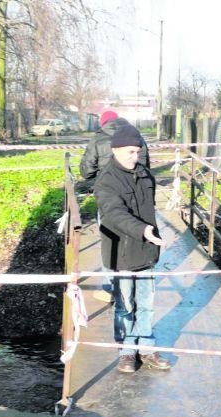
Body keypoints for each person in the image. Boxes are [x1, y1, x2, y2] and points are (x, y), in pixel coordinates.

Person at [94, 123, 170, 374]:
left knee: (146, 304)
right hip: (122, 253)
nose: (135, 157)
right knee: (125, 306)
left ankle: (146, 348)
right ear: (115, 150)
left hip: (147, 251)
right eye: (129, 152)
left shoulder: (146, 175)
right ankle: (127, 352)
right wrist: (142, 230)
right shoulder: (106, 181)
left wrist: (150, 235)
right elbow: (114, 214)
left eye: (138, 152)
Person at [80, 111, 149, 303]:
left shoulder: (98, 139)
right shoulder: (137, 137)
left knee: (110, 240)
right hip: (137, 196)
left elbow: (86, 171)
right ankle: (135, 286)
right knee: (137, 236)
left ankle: (111, 288)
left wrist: (99, 179)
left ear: (103, 123)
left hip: (108, 196)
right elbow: (145, 168)